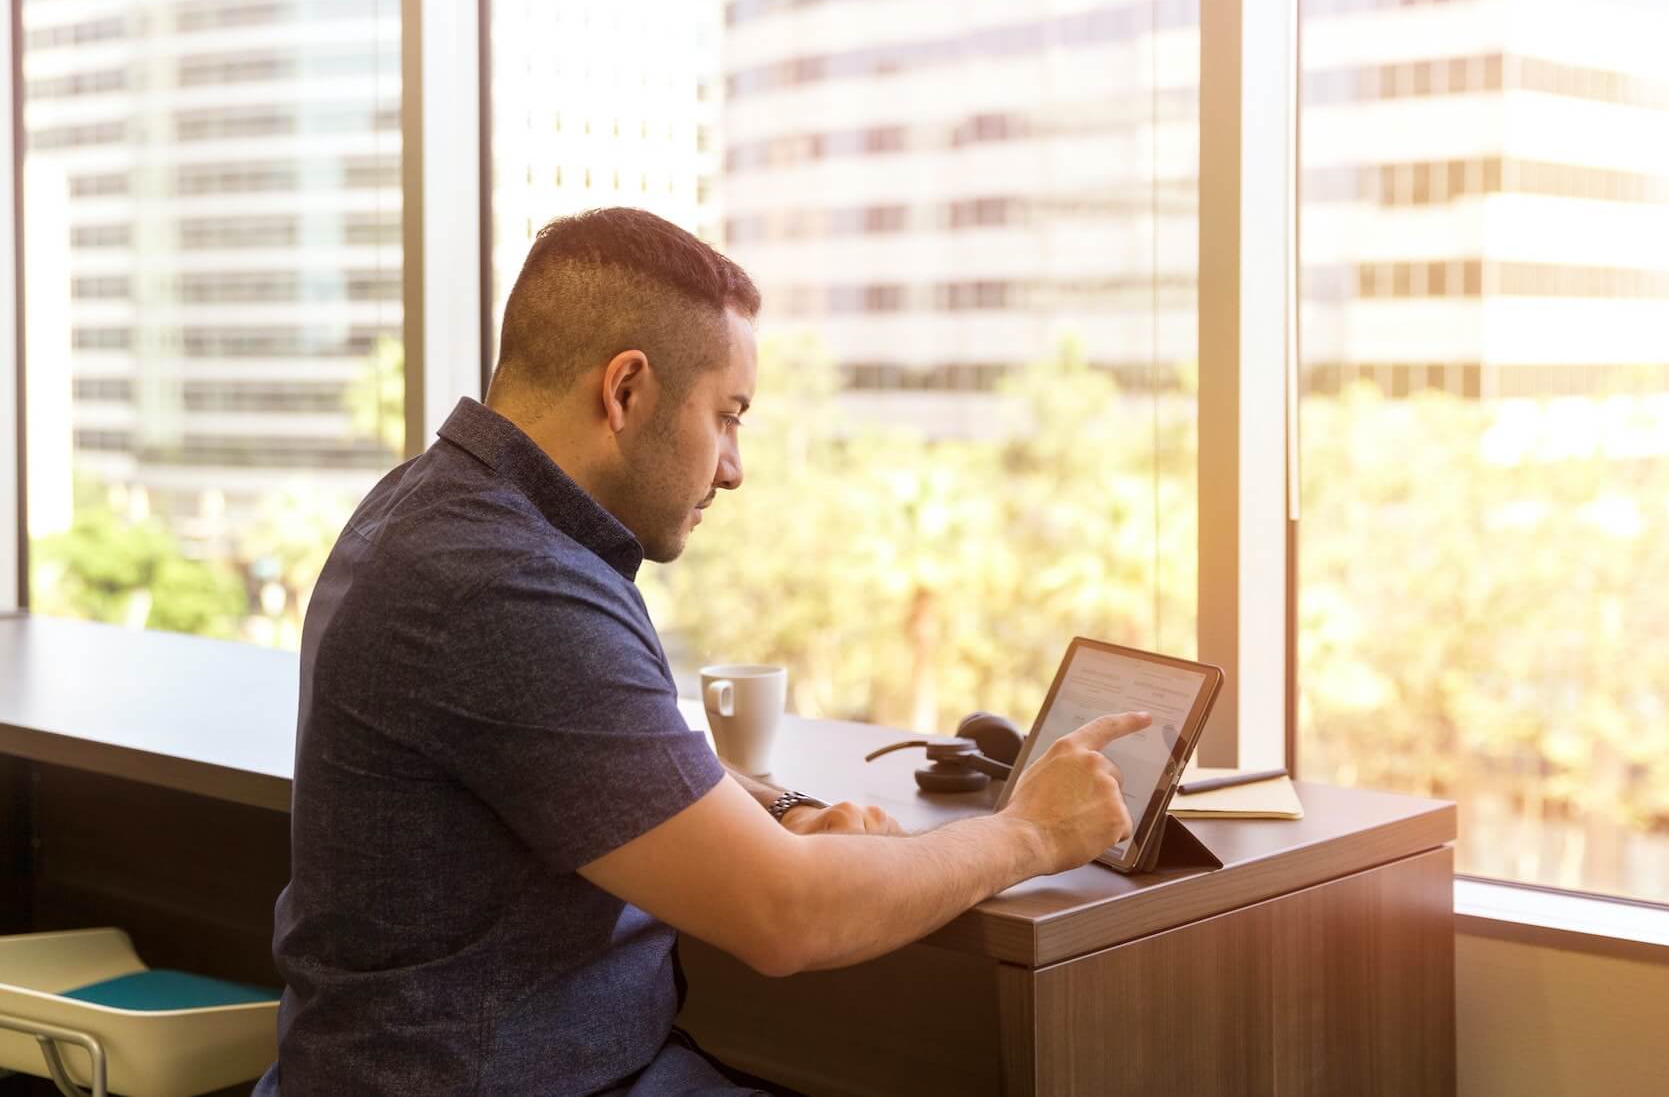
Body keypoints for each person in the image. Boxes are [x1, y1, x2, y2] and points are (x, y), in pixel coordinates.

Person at [255, 207, 1147, 1096]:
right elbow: (786, 916)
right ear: (626, 391)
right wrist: (1029, 832)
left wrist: (785, 809)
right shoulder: (507, 584)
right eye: (727, 416)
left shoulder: (435, 505)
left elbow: (600, 765)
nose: (732, 467)